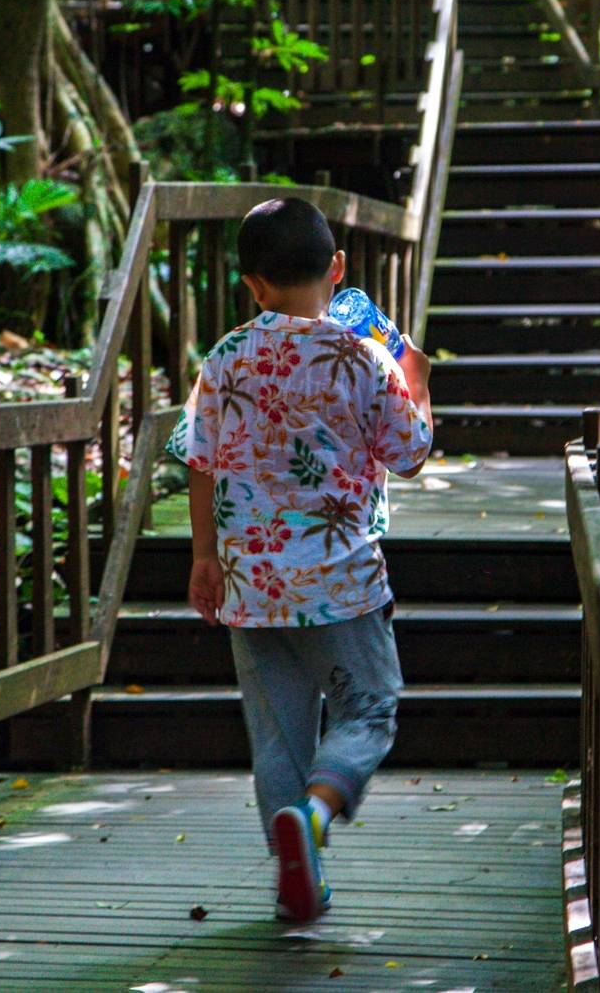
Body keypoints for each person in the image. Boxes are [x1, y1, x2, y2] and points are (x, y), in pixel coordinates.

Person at [165, 197, 434, 924]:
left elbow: (198, 458)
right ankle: (313, 818)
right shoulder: (365, 356)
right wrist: (419, 375)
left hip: (250, 582)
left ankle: (297, 878)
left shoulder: (222, 359)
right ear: (338, 268)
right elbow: (410, 454)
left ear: (253, 286)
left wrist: (203, 556)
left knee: (278, 736)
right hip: (341, 580)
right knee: (368, 710)